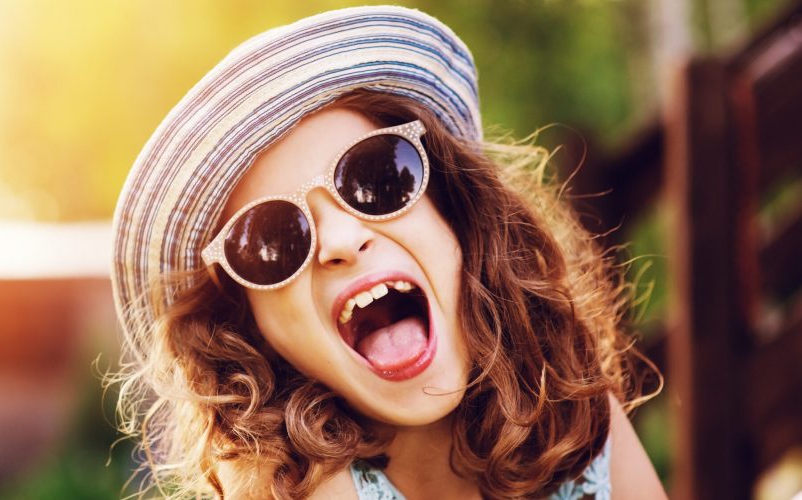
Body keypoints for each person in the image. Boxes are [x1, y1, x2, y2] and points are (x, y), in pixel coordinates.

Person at [109, 6, 664, 499]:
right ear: (247, 324)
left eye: (377, 177)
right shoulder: (283, 485)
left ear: (456, 214)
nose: (342, 242)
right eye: (272, 241)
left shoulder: (575, 422)